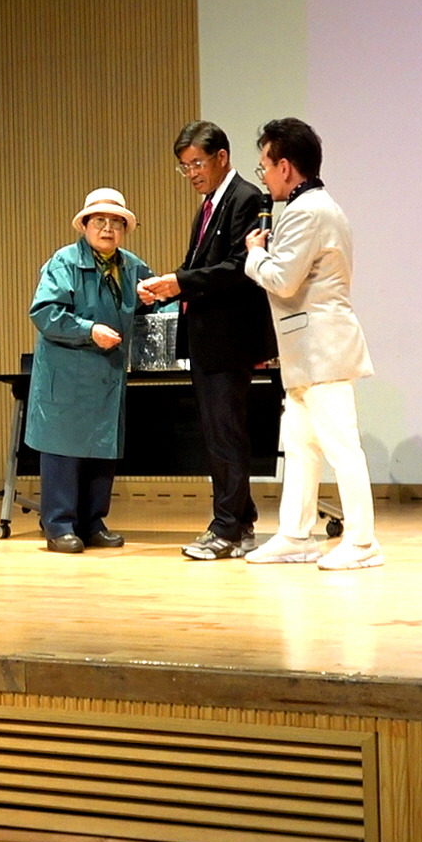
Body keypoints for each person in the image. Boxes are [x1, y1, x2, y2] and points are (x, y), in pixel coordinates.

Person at [241, 118, 383, 570]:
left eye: (265, 166)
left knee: (341, 446)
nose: (264, 176)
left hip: (323, 349)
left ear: (284, 166)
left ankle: (362, 541)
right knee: (301, 447)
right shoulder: (318, 207)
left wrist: (254, 255)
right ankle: (295, 535)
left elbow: (283, 280)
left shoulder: (307, 211)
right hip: (308, 351)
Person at [136, 121, 277, 561]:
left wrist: (178, 282)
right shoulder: (210, 204)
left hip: (229, 340)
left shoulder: (245, 198)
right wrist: (165, 288)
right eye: (185, 166)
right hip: (207, 339)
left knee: (226, 435)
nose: (192, 173)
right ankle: (242, 521)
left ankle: (226, 529)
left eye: (197, 163)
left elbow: (241, 267)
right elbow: (199, 266)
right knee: (219, 434)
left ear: (222, 157)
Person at [26, 189, 153, 553]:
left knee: (101, 449)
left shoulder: (132, 266)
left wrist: (156, 298)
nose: (108, 228)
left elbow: (155, 304)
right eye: (100, 221)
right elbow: (45, 312)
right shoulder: (64, 262)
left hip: (106, 375)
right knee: (63, 451)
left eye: (116, 222)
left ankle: (93, 522)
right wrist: (89, 330)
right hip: (67, 374)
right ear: (84, 225)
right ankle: (59, 525)